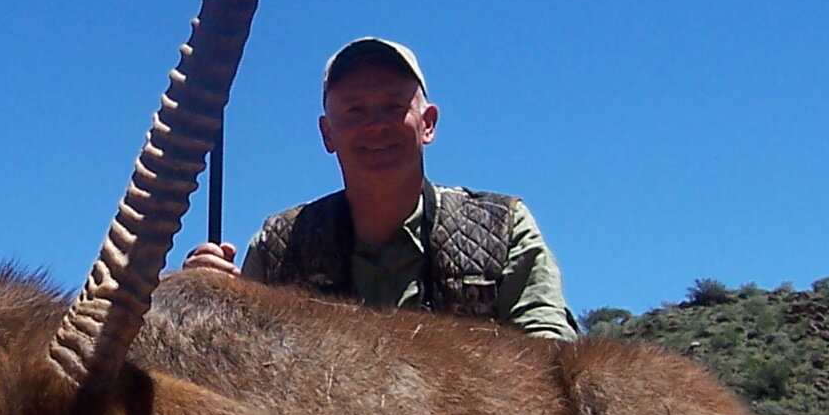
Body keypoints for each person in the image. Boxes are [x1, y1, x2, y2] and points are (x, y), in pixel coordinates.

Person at [182, 37, 577, 339]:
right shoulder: (278, 246)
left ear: (428, 124)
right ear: (327, 133)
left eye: (393, 106)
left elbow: (549, 356)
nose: (376, 123)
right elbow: (239, 368)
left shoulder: (502, 227)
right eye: (355, 109)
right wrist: (204, 306)